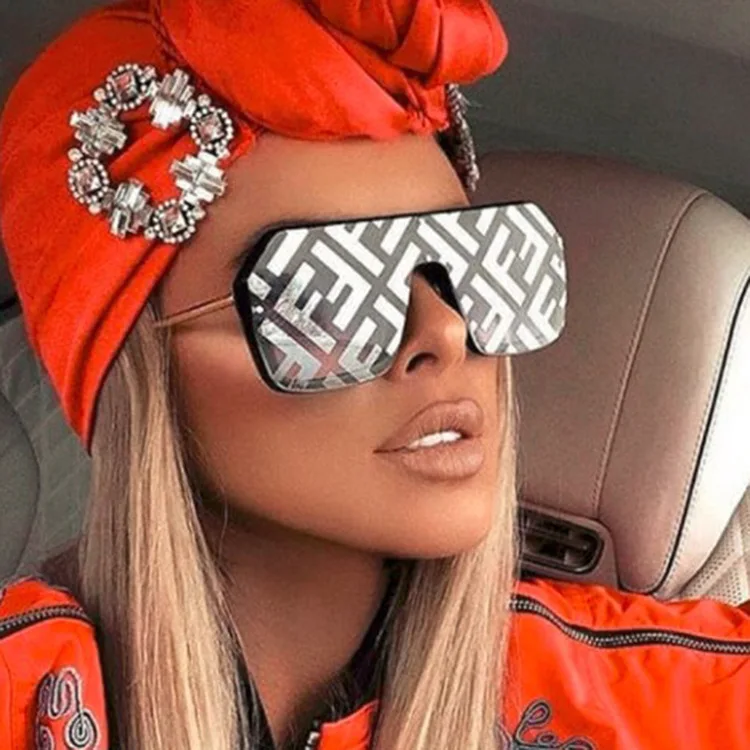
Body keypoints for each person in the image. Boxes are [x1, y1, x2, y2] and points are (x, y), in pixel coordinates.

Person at [0, 1, 747, 749]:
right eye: (327, 291)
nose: (445, 332)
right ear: (138, 375)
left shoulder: (652, 696)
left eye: (479, 266)